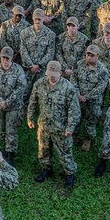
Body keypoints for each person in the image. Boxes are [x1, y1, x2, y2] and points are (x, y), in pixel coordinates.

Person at [27, 61, 80, 189]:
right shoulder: (39, 84)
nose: (51, 77)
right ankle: (47, 168)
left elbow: (74, 110)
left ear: (60, 73)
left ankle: (69, 173)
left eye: (54, 74)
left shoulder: (68, 88)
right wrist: (30, 117)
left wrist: (70, 127)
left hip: (60, 128)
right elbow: (33, 101)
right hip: (44, 125)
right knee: (43, 149)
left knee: (65, 152)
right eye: (49, 74)